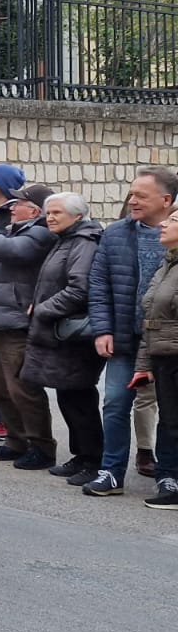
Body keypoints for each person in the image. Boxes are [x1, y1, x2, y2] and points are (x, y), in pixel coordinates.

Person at [81, 167, 178, 495]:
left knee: (170, 410)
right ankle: (111, 472)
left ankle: (168, 474)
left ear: (165, 200)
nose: (132, 200)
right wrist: (102, 329)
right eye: (131, 193)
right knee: (115, 404)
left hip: (166, 341)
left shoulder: (174, 233)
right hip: (124, 337)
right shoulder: (115, 233)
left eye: (141, 195)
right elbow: (98, 284)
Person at [0, 183, 59, 470]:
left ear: (34, 211)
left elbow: (2, 250)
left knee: (22, 389)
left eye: (18, 203)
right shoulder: (15, 231)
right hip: (1, 320)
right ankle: (17, 440)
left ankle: (41, 446)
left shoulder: (39, 233)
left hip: (19, 321)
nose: (11, 207)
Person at [21, 193, 105, 486]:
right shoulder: (66, 240)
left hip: (74, 336)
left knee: (80, 399)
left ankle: (93, 460)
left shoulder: (84, 243)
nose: (50, 217)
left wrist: (43, 309)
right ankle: (80, 456)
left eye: (57, 212)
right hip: (60, 333)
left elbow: (79, 289)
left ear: (78, 216)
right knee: (68, 398)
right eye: (48, 212)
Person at [132, 208, 178, 509]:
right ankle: (169, 479)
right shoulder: (168, 263)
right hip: (164, 358)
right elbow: (152, 320)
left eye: (173, 220)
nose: (163, 223)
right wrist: (144, 365)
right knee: (170, 422)